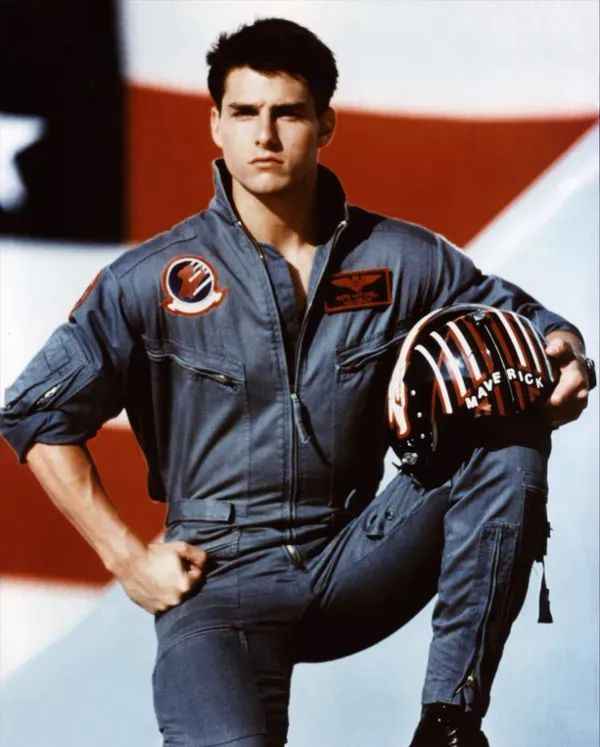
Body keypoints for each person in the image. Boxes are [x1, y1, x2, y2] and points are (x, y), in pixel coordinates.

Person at [0, 18, 593, 747]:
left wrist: (566, 357)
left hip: (354, 556)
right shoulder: (149, 279)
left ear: (325, 124)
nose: (265, 135)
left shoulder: (398, 259)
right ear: (215, 125)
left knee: (509, 426)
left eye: (287, 113)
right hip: (218, 583)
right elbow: (34, 414)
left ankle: (451, 721)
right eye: (245, 112)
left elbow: (533, 320)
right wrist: (128, 560)